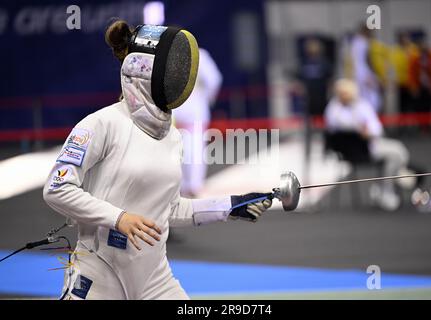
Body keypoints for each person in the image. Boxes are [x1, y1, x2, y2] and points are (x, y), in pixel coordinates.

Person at [42, 20, 272, 300]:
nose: (180, 77)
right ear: (146, 73)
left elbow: (169, 208)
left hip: (155, 279)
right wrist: (119, 218)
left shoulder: (171, 137)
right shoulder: (101, 123)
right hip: (97, 276)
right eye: (173, 69)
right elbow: (57, 188)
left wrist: (230, 206)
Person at [324, 79, 410, 211]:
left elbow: (377, 130)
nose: (344, 96)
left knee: (399, 150)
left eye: (346, 93)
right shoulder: (333, 108)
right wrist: (359, 129)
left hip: (370, 144)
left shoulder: (362, 106)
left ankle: (384, 185)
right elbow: (336, 124)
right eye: (341, 93)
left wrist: (367, 132)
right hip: (358, 151)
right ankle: (386, 189)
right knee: (396, 155)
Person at [172, 48, 222, 198]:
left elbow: (213, 80)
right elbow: (214, 80)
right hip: (191, 108)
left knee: (177, 149)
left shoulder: (170, 53)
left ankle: (186, 186)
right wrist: (206, 98)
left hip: (180, 109)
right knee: (192, 149)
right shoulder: (198, 54)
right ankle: (192, 186)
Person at [350, 25, 382, 112]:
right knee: (373, 95)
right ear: (366, 32)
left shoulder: (354, 42)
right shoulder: (365, 42)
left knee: (360, 96)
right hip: (365, 72)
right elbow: (368, 59)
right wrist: (374, 73)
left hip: (356, 73)